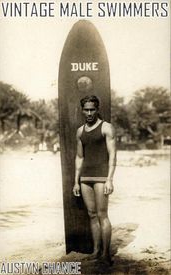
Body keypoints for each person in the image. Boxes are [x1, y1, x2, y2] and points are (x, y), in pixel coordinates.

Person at [73, 95, 116, 264]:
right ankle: (96, 251)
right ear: (82, 110)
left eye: (92, 109)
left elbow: (112, 155)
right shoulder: (80, 131)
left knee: (102, 214)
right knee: (91, 214)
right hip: (85, 178)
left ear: (97, 110)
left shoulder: (107, 128)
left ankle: (106, 254)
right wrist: (76, 181)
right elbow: (79, 157)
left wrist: (110, 179)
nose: (89, 113)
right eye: (86, 110)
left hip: (101, 176)